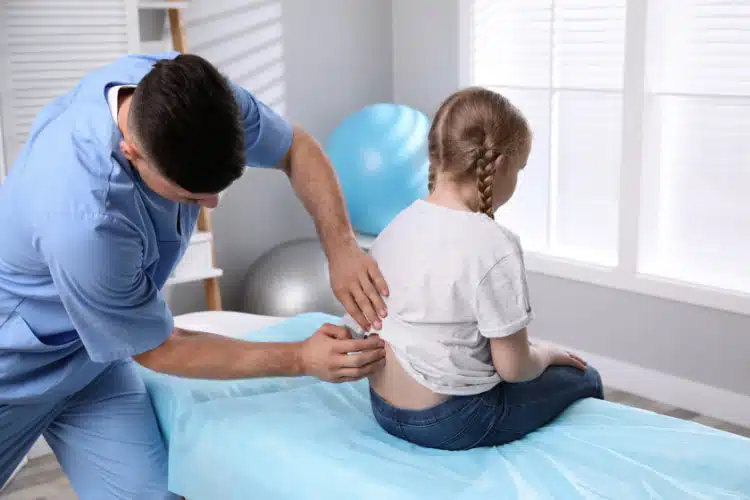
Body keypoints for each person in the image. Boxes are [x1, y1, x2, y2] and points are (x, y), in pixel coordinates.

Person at [0, 52, 389, 498]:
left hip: (93, 361)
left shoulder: (192, 98)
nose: (212, 205)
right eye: (192, 195)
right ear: (132, 154)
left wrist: (341, 250)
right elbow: (160, 350)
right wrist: (301, 358)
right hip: (14, 364)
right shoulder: (86, 219)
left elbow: (295, 147)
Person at [342, 87, 604, 451]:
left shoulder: (395, 227)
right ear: (498, 167)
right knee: (586, 378)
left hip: (383, 409)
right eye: (520, 169)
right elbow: (514, 370)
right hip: (453, 421)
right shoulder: (494, 243)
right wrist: (546, 354)